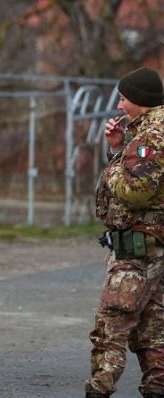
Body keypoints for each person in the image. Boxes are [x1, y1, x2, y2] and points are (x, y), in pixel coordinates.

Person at [86, 67, 164, 398]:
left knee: (112, 323)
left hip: (139, 248)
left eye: (123, 98)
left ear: (140, 101)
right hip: (151, 246)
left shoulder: (152, 138)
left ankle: (99, 389)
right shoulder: (143, 133)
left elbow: (136, 191)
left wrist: (114, 163)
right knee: (152, 329)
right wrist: (120, 148)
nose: (119, 106)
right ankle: (156, 388)